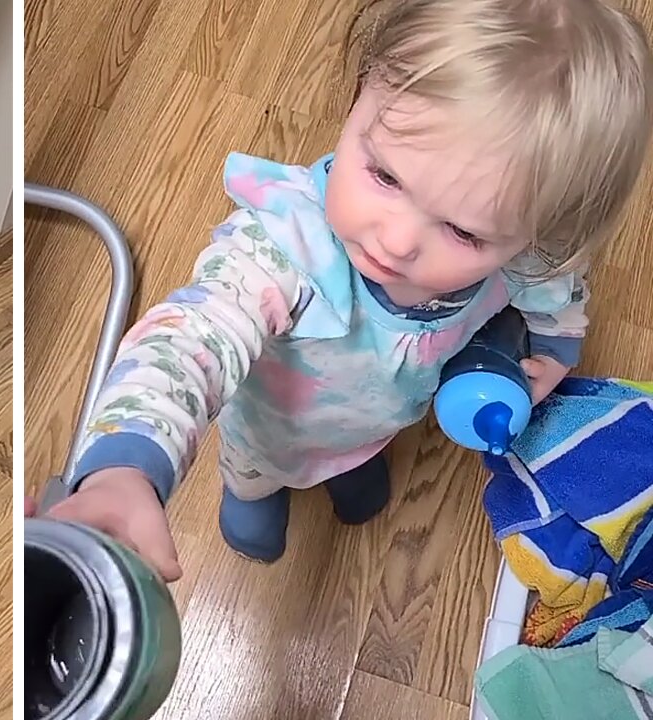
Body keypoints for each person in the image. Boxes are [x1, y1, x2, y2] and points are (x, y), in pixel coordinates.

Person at [33, 0, 653, 580]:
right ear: (361, 93)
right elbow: (190, 340)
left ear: (536, 233)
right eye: (384, 174)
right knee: (255, 484)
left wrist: (555, 352)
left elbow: (556, 291)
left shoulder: (525, 257)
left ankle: (349, 467)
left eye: (463, 231)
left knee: (359, 463)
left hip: (377, 424)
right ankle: (254, 496)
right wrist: (124, 465)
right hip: (268, 437)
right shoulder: (282, 251)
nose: (398, 240)